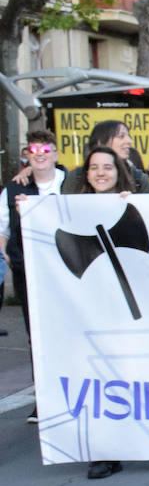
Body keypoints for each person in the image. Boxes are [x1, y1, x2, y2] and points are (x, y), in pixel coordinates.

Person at [74, 147, 137, 479]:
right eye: (94, 168)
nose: (101, 173)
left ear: (118, 171)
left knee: (136, 376)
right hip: (90, 312)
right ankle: (104, 452)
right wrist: (29, 211)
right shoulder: (66, 212)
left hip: (133, 308)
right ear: (86, 174)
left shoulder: (135, 204)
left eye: (107, 167)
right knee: (101, 381)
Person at [2, 130, 67, 424]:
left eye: (45, 149)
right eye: (33, 150)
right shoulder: (13, 189)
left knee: (68, 332)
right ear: (27, 155)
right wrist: (6, 253)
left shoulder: (72, 183)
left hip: (68, 271)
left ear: (55, 153)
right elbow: (3, 228)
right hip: (29, 273)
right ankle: (44, 400)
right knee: (37, 337)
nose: (39, 154)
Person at [60, 121, 149, 194]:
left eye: (108, 168)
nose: (129, 141)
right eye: (121, 136)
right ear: (100, 142)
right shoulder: (77, 177)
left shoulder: (139, 179)